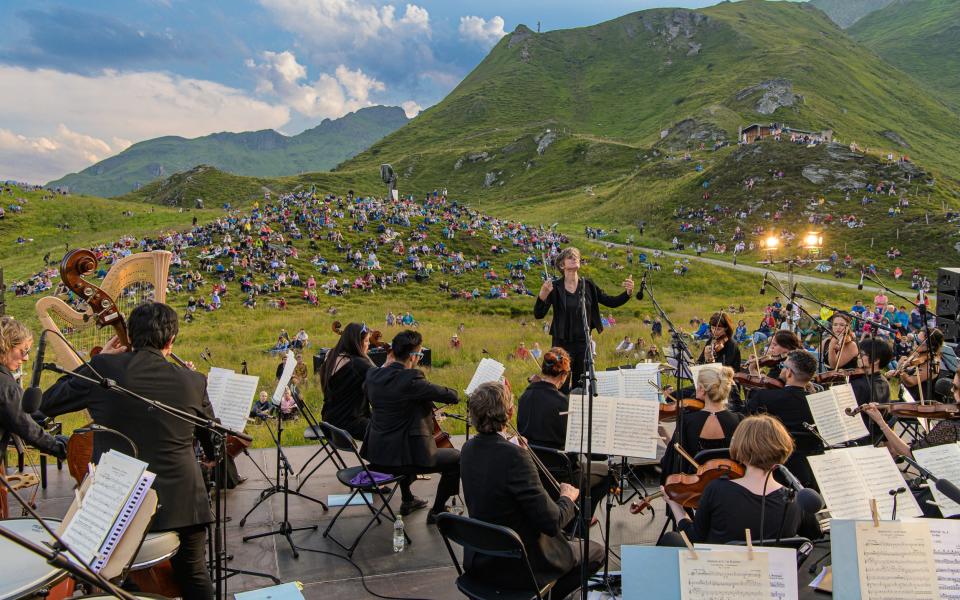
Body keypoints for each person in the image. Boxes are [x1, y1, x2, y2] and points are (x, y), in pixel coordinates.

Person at [41, 303, 215, 599]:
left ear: (130, 339)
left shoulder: (104, 369)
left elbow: (47, 403)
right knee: (195, 575)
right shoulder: (193, 381)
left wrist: (101, 360)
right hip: (183, 506)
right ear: (171, 340)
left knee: (117, 582)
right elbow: (212, 440)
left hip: (119, 506)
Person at [461, 381, 604, 600]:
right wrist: (567, 497)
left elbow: (496, 471)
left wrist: (514, 449)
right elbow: (552, 522)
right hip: (522, 567)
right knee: (595, 552)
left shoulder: (468, 448)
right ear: (510, 412)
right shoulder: (515, 457)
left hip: (481, 560)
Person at [663, 415, 822, 544]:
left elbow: (694, 538)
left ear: (740, 446)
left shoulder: (718, 490)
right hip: (774, 578)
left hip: (722, 573)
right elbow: (813, 535)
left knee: (670, 539)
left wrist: (676, 506)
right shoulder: (796, 498)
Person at [361, 330, 460, 523]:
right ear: (413, 356)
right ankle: (438, 511)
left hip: (377, 455)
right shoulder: (411, 379)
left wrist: (385, 367)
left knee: (406, 440)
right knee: (456, 458)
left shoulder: (373, 375)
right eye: (419, 355)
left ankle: (408, 499)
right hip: (399, 460)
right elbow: (451, 396)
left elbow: (375, 389)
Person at [517, 347, 609, 519]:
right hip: (562, 475)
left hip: (532, 471)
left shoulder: (524, 398)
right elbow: (584, 451)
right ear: (564, 376)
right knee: (608, 473)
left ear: (542, 369)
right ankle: (578, 522)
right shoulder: (565, 405)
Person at [534, 247, 633, 392]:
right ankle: (561, 413)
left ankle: (579, 413)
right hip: (561, 345)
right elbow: (538, 314)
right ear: (562, 265)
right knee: (560, 385)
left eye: (576, 256)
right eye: (570, 257)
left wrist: (628, 293)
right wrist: (542, 295)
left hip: (583, 344)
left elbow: (610, 301)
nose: (575, 258)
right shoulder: (554, 287)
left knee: (581, 386)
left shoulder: (588, 285)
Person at [745, 350, 821, 488]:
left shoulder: (765, 397)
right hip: (811, 470)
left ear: (789, 373)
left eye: (783, 366)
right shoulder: (817, 402)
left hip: (773, 469)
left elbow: (746, 420)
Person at [0, 317, 67, 462]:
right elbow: (24, 425)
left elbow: (19, 410)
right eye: (23, 351)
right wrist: (60, 447)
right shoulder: (4, 385)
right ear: (5, 345)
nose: (26, 358)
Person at [660, 366, 744, 481]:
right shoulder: (740, 420)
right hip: (731, 487)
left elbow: (672, 462)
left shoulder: (687, 421)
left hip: (695, 490)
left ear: (701, 388)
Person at [319, 322, 375, 440]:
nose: (369, 345)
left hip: (329, 420)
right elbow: (382, 379)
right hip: (348, 424)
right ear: (356, 343)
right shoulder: (358, 364)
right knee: (391, 429)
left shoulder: (331, 356)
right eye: (366, 341)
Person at [891, 328, 943, 401]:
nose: (915, 343)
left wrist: (900, 370)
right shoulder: (917, 354)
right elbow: (905, 373)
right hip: (906, 398)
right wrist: (898, 367)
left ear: (932, 347)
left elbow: (911, 382)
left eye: (918, 342)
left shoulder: (933, 363)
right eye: (915, 339)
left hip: (917, 405)